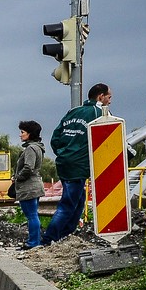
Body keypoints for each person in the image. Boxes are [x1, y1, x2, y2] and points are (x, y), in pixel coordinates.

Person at [45, 82, 110, 243]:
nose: (110, 101)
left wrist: (63, 153)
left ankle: (64, 237)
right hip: (78, 166)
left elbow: (55, 138)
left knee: (79, 202)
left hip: (64, 163)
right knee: (68, 205)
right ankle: (48, 240)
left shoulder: (73, 112)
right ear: (100, 96)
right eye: (109, 97)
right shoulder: (99, 112)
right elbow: (107, 137)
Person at [11, 120, 46, 249]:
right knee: (33, 214)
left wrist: (17, 178)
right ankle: (35, 241)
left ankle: (33, 243)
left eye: (22, 132)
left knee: (31, 215)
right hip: (35, 185)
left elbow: (28, 168)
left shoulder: (31, 149)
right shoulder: (38, 147)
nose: (20, 135)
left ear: (29, 134)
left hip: (29, 187)